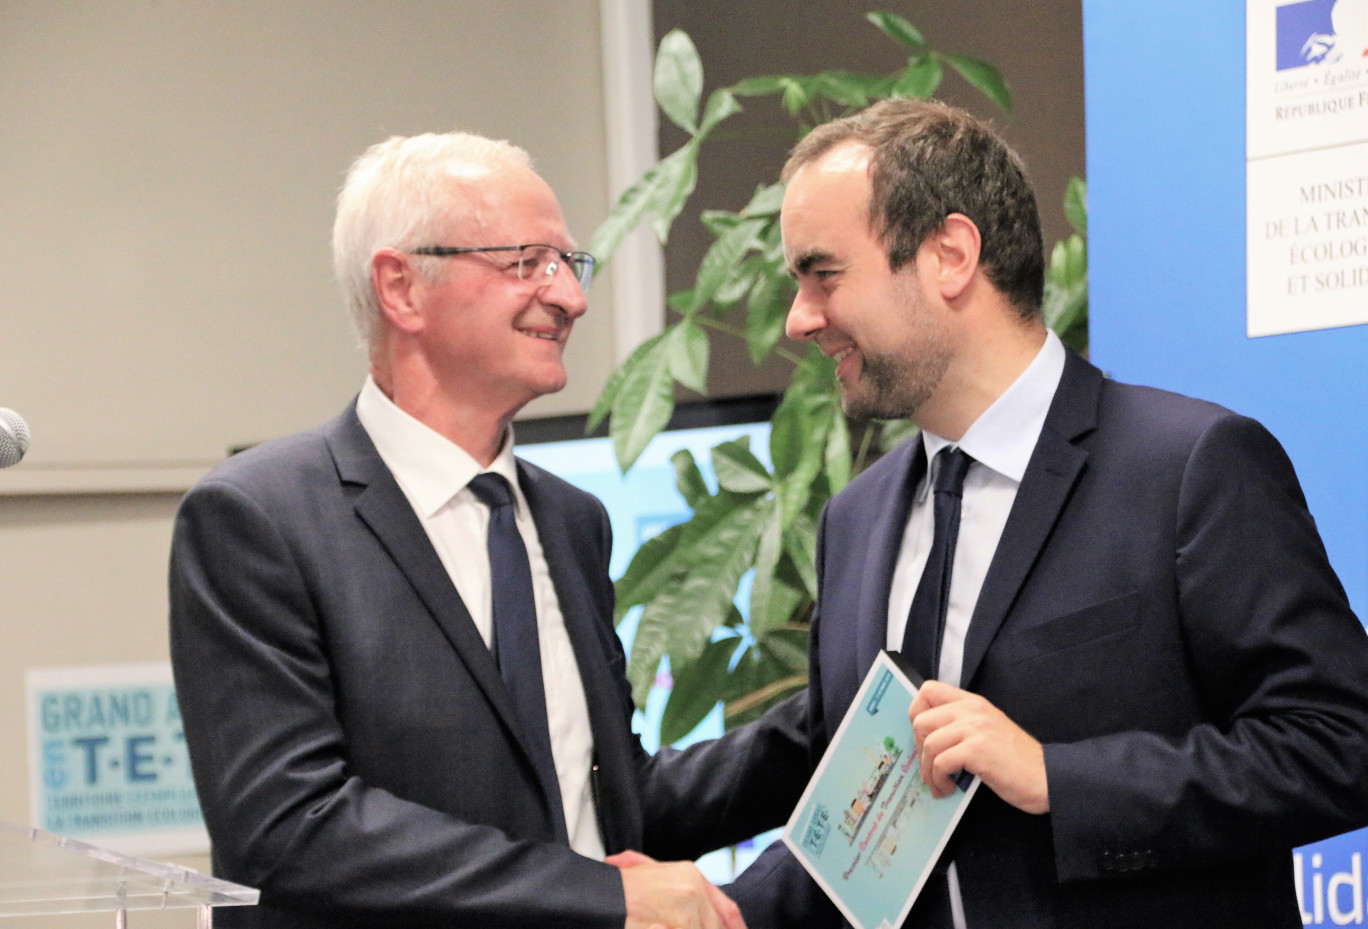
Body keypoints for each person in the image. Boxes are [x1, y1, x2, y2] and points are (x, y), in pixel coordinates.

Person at [728, 99, 1368, 928]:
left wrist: (1057, 776)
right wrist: (710, 906)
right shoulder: (854, 520)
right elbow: (862, 797)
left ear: (950, 254)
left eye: (824, 275)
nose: (800, 318)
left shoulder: (1189, 466)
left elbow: (1339, 743)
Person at [169, 131, 804, 929]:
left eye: (571, 266)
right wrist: (606, 898)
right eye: (528, 262)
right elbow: (291, 827)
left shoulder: (574, 523)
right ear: (401, 287)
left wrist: (829, 720)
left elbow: (607, 797)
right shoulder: (259, 518)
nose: (569, 297)